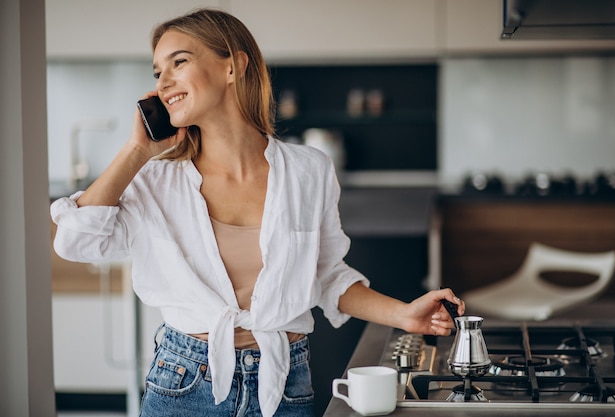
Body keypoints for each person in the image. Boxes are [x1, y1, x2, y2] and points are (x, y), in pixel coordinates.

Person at [50, 8, 464, 417]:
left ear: (234, 66)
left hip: (286, 383)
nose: (164, 82)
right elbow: (77, 242)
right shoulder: (156, 178)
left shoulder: (309, 170)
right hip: (185, 382)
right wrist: (137, 150)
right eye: (158, 71)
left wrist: (404, 315)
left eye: (179, 62)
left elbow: (326, 276)